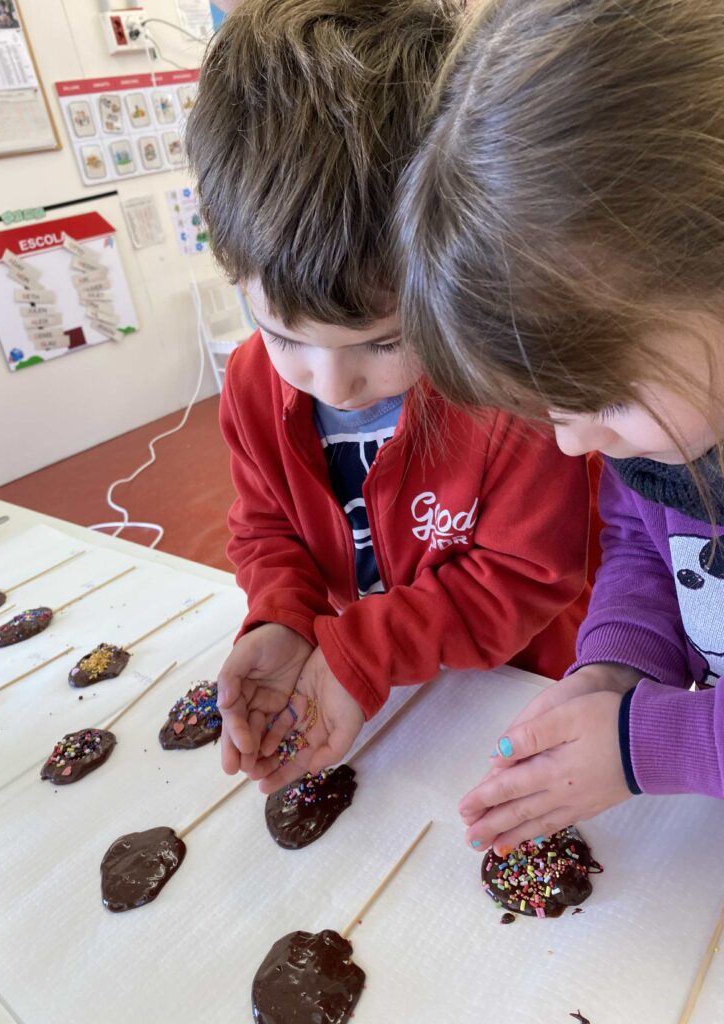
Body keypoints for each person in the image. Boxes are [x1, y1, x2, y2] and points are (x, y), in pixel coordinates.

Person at [185, 0, 594, 793]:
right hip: (378, 680)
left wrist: (362, 651)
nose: (331, 382)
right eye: (283, 335)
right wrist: (281, 616)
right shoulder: (251, 381)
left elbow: (526, 577)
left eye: (381, 343)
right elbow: (267, 528)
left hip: (515, 688)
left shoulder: (505, 389)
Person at [397, 0, 724, 852]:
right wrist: (618, 668)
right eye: (554, 409)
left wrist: (646, 744)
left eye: (601, 397)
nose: (574, 445)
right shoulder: (666, 429)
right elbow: (645, 545)